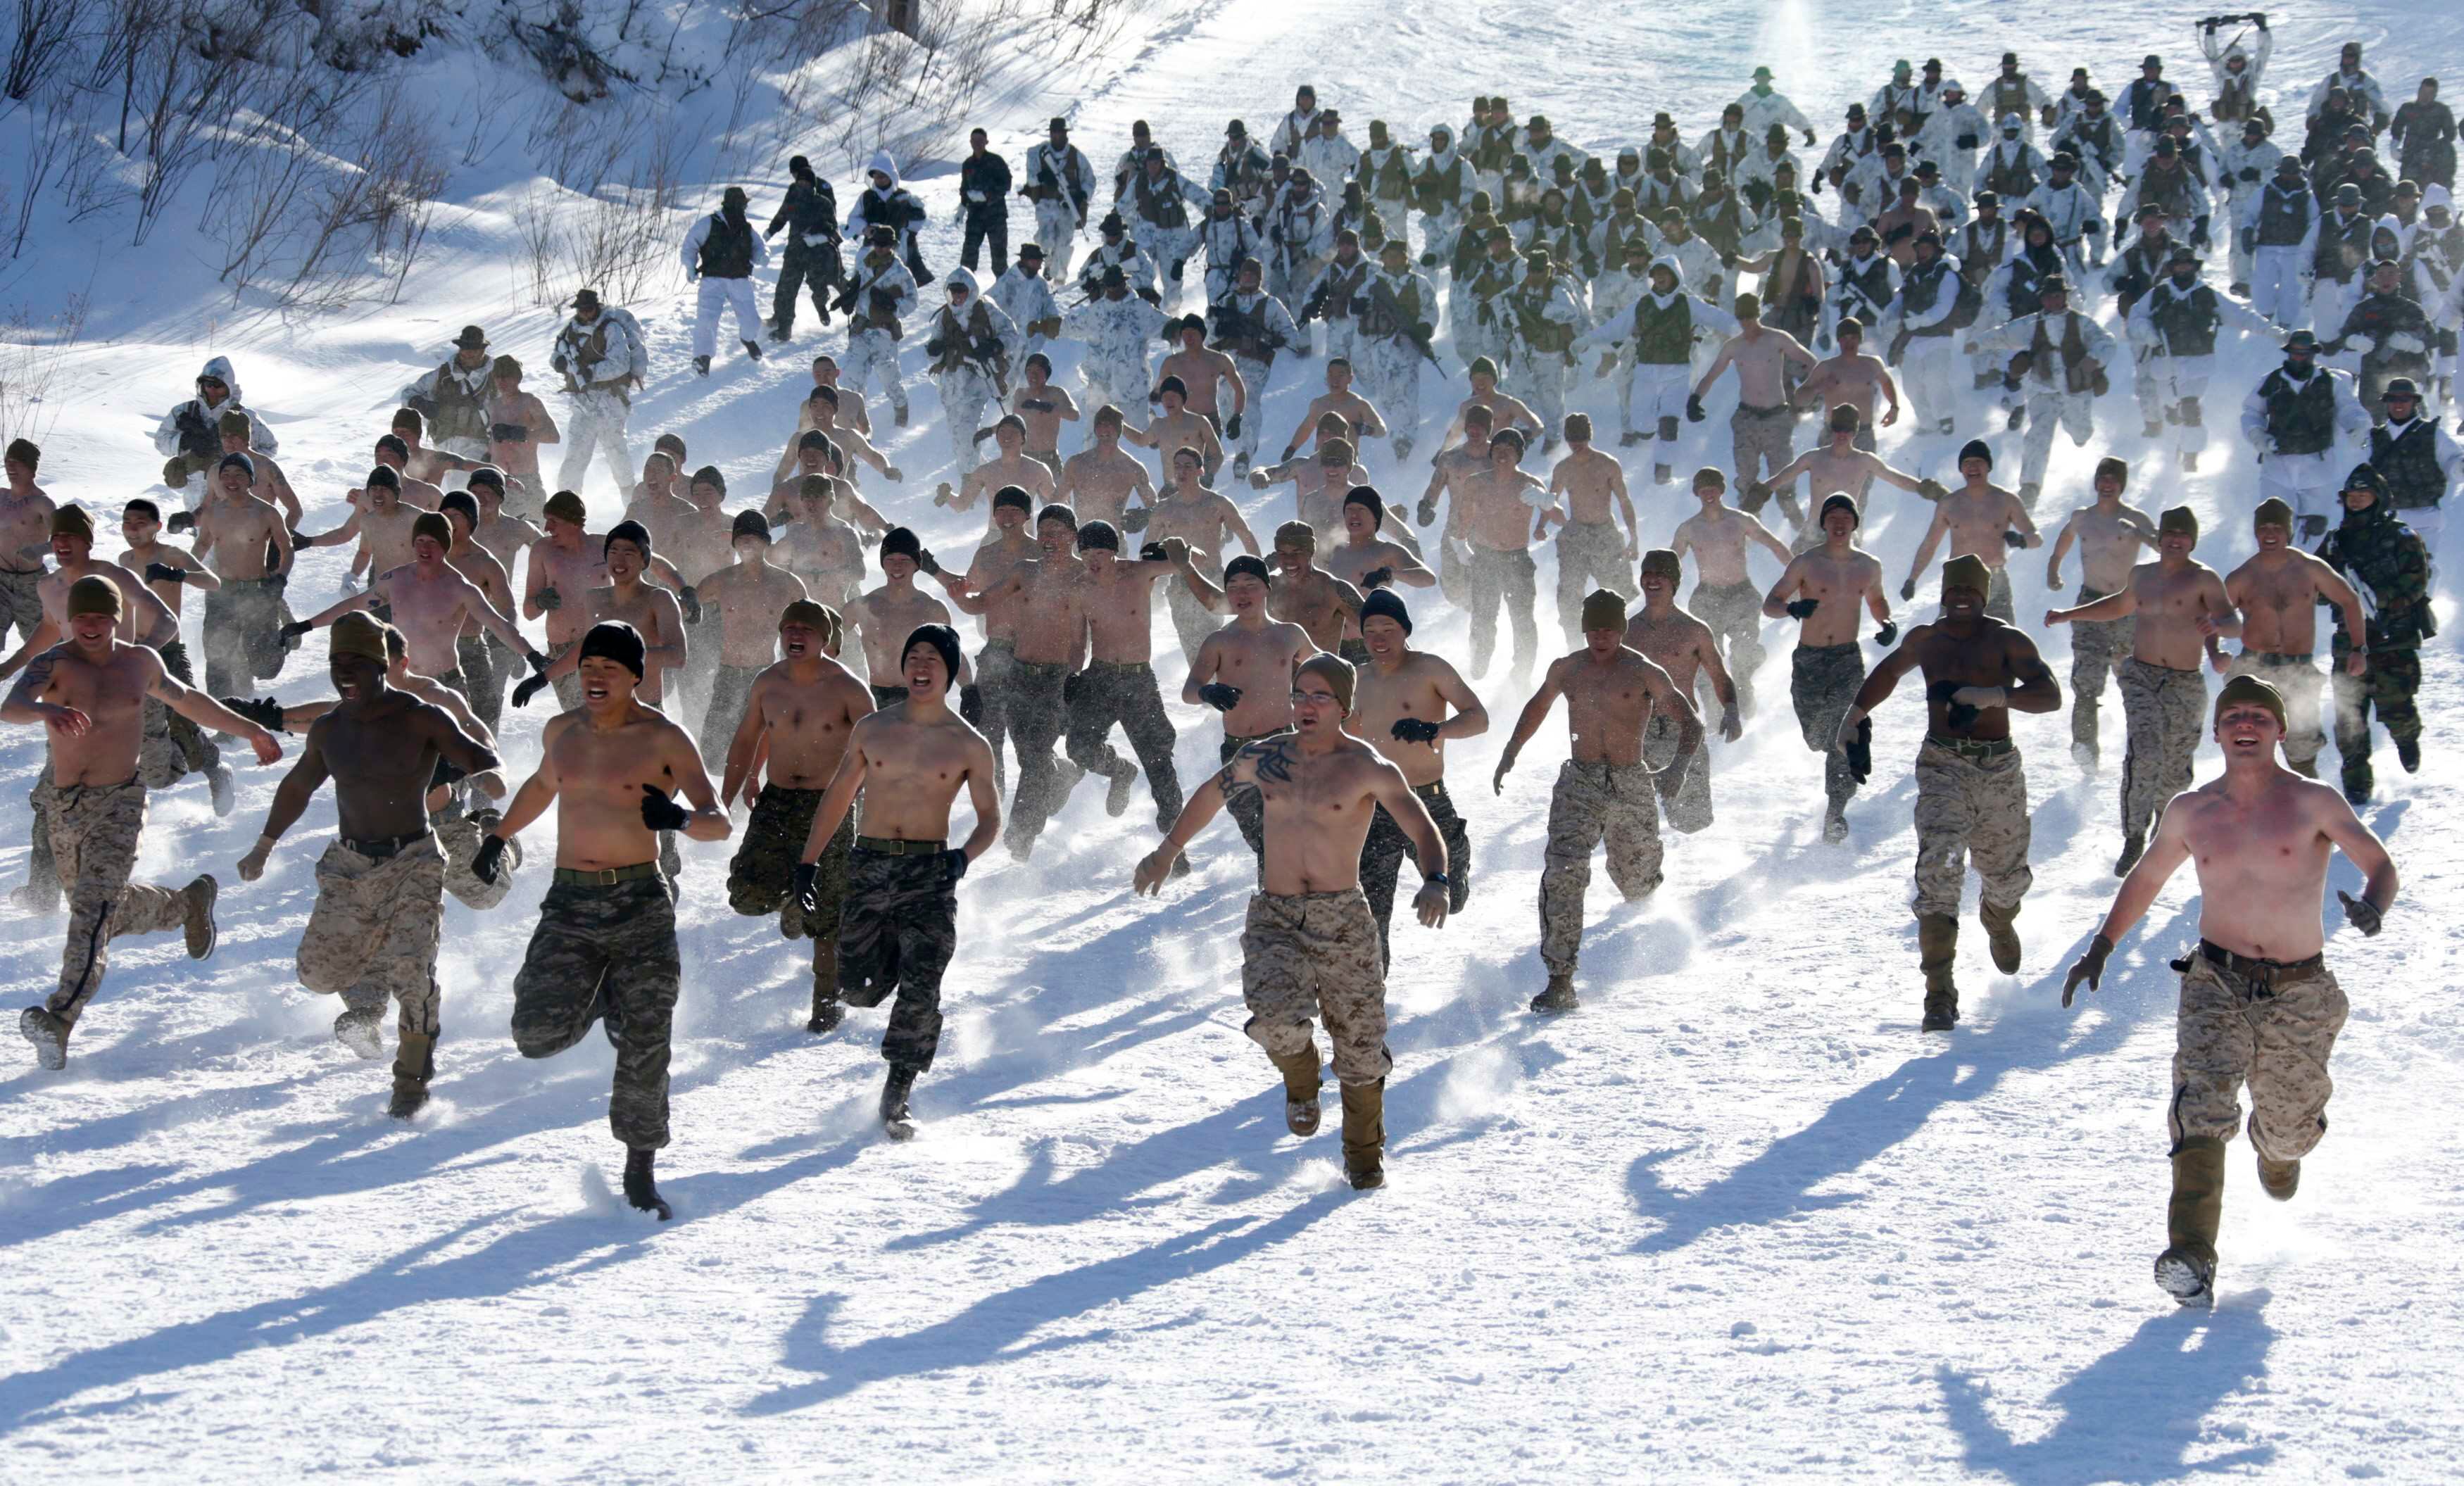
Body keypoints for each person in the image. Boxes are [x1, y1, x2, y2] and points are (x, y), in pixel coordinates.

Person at [2060, 673, 2396, 1306]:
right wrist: (2101, 944)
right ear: (2217, 730)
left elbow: (2380, 863)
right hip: (2216, 980)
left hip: (2300, 991)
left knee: (2288, 1125)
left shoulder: (2314, 801)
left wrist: (2376, 904)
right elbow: (2148, 876)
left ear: (2277, 729)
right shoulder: (2193, 810)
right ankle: (2191, 1254)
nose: (2246, 724)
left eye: (2259, 716)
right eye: (2233, 715)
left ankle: (2280, 1150)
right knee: (2200, 1104)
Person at [1135, 653, 1447, 1190]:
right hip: (1276, 915)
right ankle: (1302, 1081)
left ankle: (1364, 1154)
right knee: (1274, 1017)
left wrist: (1436, 878)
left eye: (1320, 696)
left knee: (1361, 1044)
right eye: (1300, 694)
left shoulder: (1368, 767)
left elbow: (1421, 827)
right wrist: (1167, 850)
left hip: (1342, 917)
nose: (1306, 705)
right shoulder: (1265, 756)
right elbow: (1213, 793)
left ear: (1344, 707)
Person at [484, 622, 729, 1218]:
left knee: (648, 1039)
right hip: (569, 901)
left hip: (640, 901)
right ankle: (603, 999)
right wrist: (498, 836)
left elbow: (717, 821)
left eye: (609, 669)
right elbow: (544, 787)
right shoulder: (561, 730)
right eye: (588, 666)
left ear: (635, 677)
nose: (594, 677)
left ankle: (640, 1169)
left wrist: (674, 820)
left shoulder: (664, 738)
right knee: (535, 1034)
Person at [6, 576, 280, 1069]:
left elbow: (189, 701)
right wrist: (47, 708)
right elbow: (12, 707)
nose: (91, 626)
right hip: (64, 806)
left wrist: (251, 729)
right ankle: (187, 904)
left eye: (100, 617)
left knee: (91, 911)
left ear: (115, 619)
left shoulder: (140, 662)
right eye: (82, 617)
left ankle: (61, 1018)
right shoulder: (53, 664)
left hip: (121, 804)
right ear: (70, 620)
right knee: (104, 911)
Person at [234, 612, 495, 1114]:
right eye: (337, 664)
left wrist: (477, 786)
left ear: (380, 666)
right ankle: (370, 989)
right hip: (351, 867)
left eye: (357, 663)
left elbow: (481, 757)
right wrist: (264, 844)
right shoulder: (330, 729)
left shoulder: (420, 716)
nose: (346, 673)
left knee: (413, 972)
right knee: (316, 972)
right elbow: (298, 786)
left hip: (415, 859)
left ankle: (411, 1083)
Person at [1838, 554, 2060, 1028]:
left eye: (1971, 593)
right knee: (1937, 870)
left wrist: (1999, 696)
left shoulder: (2006, 639)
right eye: (1954, 591)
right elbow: (1890, 671)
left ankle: (1998, 918)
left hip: (1999, 766)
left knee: (2005, 877)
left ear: (1983, 597)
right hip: (1943, 763)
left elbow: (2051, 694)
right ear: (1943, 595)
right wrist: (1855, 714)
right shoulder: (1927, 639)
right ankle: (1939, 993)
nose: (1961, 599)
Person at [796, 624, 998, 1138]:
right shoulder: (872, 728)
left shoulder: (968, 743)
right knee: (858, 989)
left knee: (923, 982)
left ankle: (897, 1095)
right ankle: (870, 988)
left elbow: (990, 819)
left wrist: (963, 857)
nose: (921, 666)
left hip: (929, 874)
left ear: (949, 671)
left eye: (933, 658)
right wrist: (808, 862)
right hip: (870, 866)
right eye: (914, 656)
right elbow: (838, 796)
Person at [1494, 588, 1701, 1013]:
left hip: (1630, 781)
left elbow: (1690, 721)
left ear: (1622, 629)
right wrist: (1511, 751)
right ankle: (1560, 978)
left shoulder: (1644, 671)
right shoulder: (1568, 669)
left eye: (1609, 628)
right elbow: (1536, 706)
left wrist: (1678, 768)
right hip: (1580, 781)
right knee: (1563, 871)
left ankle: (1645, 902)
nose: (1600, 636)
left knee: (1637, 877)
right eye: (1593, 628)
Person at [2044, 505, 2231, 874]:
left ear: (2192, 541)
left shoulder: (2205, 580)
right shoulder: (2142, 575)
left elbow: (2231, 619)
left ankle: (2165, 829)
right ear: (2159, 540)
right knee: (2144, 751)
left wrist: (2222, 638)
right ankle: (2134, 836)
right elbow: (2118, 606)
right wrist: (2070, 614)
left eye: (2183, 535)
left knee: (2175, 767)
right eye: (2170, 534)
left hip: (2185, 682)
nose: (2176, 541)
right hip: (2142, 677)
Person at [722, 600, 873, 1030]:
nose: (795, 635)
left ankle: (826, 1003)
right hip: (777, 800)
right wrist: (728, 796)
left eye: (805, 630)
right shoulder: (767, 683)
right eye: (788, 627)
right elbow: (746, 738)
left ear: (825, 639)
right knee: (746, 897)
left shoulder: (849, 689)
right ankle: (791, 900)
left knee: (828, 910)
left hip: (829, 805)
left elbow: (877, 750)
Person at [1342, 590, 1478, 965]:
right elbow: (1345, 742)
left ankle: (1457, 857)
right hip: (1377, 806)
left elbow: (1477, 717)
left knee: (1454, 901)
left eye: (1389, 628)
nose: (1380, 639)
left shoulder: (1430, 668)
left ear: (1406, 630)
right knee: (1370, 909)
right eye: (1371, 630)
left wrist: (1435, 729)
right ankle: (1372, 987)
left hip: (1427, 799)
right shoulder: (1356, 679)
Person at [293, 512, 543, 698]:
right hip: (402, 683)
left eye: (432, 542)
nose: (425, 548)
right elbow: (355, 606)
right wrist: (305, 625)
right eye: (420, 541)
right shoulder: (396, 580)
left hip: (446, 684)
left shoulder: (460, 588)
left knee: (453, 765)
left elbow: (498, 625)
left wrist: (531, 654)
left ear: (444, 547)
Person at [1764, 494, 1898, 842]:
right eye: (1833, 517)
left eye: (1846, 518)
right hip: (1809, 660)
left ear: (1855, 523)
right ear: (1823, 523)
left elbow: (1877, 600)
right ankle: (1834, 752)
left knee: (1845, 729)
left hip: (1847, 660)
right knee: (1817, 737)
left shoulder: (1868, 566)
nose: (1839, 524)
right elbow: (1770, 604)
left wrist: (1887, 623)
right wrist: (1793, 610)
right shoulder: (1806, 563)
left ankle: (1835, 812)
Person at [2218, 496, 2365, 782]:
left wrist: (2359, 648)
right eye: (2264, 528)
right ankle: (2247, 816)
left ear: (2288, 532)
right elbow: (2216, 616)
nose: (2270, 534)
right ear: (2256, 532)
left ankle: (2308, 816)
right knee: (2249, 746)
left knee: (2302, 754)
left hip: (2299, 670)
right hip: (2254, 670)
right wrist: (2214, 650)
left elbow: (2349, 599)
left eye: (2277, 528)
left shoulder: (2311, 568)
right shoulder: (2242, 577)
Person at [2313, 465, 2434, 804]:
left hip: (2393, 639)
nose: (2356, 502)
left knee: (2397, 708)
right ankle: (2356, 780)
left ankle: (2407, 739)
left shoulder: (2403, 537)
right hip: (2350, 641)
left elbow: (2415, 583)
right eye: (2351, 497)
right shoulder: (2337, 542)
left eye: (2363, 496)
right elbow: (2314, 582)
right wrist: (2340, 597)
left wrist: (2378, 599)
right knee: (2348, 716)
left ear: (2378, 498)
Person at [1181, 555, 1314, 862]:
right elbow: (1189, 691)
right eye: (1234, 588)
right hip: (1238, 753)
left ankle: (1282, 901)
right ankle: (1281, 896)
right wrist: (1207, 691)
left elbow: (1326, 669)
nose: (1242, 594)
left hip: (1285, 746)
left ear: (1266, 589)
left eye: (1250, 586)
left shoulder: (1289, 634)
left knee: (1279, 838)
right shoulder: (1220, 641)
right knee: (1259, 836)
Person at [1061, 523, 1186, 836]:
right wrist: (1072, 674)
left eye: (1100, 552)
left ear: (1114, 552)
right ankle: (1121, 771)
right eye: (1086, 553)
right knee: (1079, 748)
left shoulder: (1140, 574)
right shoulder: (1079, 587)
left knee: (1159, 763)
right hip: (1100, 677)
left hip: (1137, 679)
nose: (1093, 559)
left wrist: (1177, 545)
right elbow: (1078, 642)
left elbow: (1185, 560)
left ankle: (1174, 840)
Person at [2042, 457, 2157, 767]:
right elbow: (2063, 541)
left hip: (2127, 607)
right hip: (2090, 604)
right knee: (2087, 678)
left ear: (2121, 486)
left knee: (2133, 679)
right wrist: (2054, 568)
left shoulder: (2135, 518)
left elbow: (2166, 547)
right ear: (2096, 483)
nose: (2107, 485)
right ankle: (2084, 749)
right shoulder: (2082, 518)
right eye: (2103, 479)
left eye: (2114, 481)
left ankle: (2142, 747)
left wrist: (2140, 535)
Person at [1580, 256, 1733, 485]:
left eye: (1665, 273)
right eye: (1657, 274)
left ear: (1675, 276)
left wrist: (1749, 331)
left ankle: (1663, 472)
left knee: (1669, 423)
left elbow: (1719, 318)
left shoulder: (1688, 303)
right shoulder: (1642, 305)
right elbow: (1615, 327)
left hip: (1678, 371)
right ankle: (1648, 431)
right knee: (1641, 425)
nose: (1661, 278)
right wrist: (1588, 339)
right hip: (1646, 371)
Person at [1967, 274, 2116, 506]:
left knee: (2081, 431)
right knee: (2037, 436)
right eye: (2048, 297)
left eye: (2057, 296)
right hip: (2042, 389)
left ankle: (2080, 435)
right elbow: (2005, 334)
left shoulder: (2081, 322)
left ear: (2064, 297)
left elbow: (2107, 342)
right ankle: (2030, 487)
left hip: (2076, 389)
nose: (2052, 301)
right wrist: (1979, 343)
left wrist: (2094, 359)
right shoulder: (2031, 324)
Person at [1623, 549, 1741, 836]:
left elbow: (1718, 673)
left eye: (1660, 575)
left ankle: (1694, 872)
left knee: (1692, 823)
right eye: (1647, 574)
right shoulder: (1628, 631)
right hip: (1640, 730)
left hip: (1682, 729)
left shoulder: (1694, 630)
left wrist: (1732, 709)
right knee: (1633, 817)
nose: (1652, 581)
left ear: (1674, 582)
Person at [1670, 468, 1792, 717]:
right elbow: (1672, 563)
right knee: (1706, 660)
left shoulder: (1740, 520)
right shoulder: (1689, 528)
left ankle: (1744, 696)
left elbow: (1774, 545)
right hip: (1707, 598)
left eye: (1713, 488)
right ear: (1697, 493)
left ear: (1721, 490)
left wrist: (1799, 578)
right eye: (1703, 490)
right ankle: (1715, 715)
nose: (1709, 494)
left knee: (1743, 655)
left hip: (1742, 595)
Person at [693, 510, 809, 763]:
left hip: (767, 674)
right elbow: (685, 614)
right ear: (733, 543)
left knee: (765, 749)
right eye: (741, 538)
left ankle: (754, 798)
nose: (746, 543)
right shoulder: (718, 582)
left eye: (753, 538)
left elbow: (812, 629)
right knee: (713, 754)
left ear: (766, 542)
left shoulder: (787, 584)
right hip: (728, 672)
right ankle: (720, 799)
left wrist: (802, 674)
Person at [2242, 329, 2371, 540]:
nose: (2300, 357)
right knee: (2273, 526)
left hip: (2317, 465)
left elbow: (2349, 409)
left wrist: (2358, 426)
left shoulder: (2330, 382)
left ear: (2314, 354)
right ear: (2289, 353)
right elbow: (2251, 413)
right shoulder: (2271, 381)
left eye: (2305, 353)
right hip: (2277, 465)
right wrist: (2258, 436)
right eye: (2295, 353)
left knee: (2316, 529)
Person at [1902, 441, 2043, 623]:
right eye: (1967, 463)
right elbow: (1930, 544)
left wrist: (2021, 541)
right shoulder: (1949, 504)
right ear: (1961, 469)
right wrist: (1912, 579)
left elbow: (2036, 538)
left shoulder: (2006, 500)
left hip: (1995, 577)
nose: (1973, 467)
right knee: (1948, 638)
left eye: (1978, 462)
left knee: (2002, 638)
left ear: (1988, 466)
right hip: (1959, 578)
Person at [1541, 415, 1639, 644]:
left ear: (1589, 437)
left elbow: (1624, 501)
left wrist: (1634, 538)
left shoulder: (1607, 465)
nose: (1576, 445)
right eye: (1572, 440)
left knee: (1616, 594)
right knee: (1569, 594)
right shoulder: (1564, 468)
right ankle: (1574, 647)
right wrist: (1540, 526)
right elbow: (1550, 500)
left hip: (1604, 534)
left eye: (1581, 439)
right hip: (1576, 535)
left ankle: (1617, 644)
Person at [549, 290, 645, 504]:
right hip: (583, 402)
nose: (584, 313)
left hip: (610, 401)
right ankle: (566, 506)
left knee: (617, 455)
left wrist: (589, 372)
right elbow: (556, 354)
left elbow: (620, 364)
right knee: (575, 457)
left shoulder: (611, 328)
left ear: (596, 307)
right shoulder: (571, 330)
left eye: (588, 308)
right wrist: (560, 363)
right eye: (581, 309)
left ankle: (632, 505)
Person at [1209, 257, 1300, 479]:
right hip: (1227, 360)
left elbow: (1292, 336)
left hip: (1256, 363)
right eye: (1245, 273)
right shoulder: (1226, 302)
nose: (1248, 277)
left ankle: (1244, 455)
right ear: (1239, 276)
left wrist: (1275, 341)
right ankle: (1242, 446)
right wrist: (1221, 331)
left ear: (1260, 277)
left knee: (1247, 403)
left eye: (1253, 273)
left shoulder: (1271, 305)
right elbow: (1209, 335)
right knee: (1226, 405)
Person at [682, 187, 769, 375]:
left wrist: (763, 256)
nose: (740, 208)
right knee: (707, 319)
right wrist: (690, 267)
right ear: (727, 204)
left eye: (742, 204)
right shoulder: (709, 223)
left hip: (739, 279)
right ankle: (702, 358)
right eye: (737, 204)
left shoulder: (747, 228)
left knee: (751, 321)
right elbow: (690, 245)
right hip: (712, 280)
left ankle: (747, 339)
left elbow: (759, 247)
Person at [153, 357, 276, 491]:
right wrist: (184, 441)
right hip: (195, 494)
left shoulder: (245, 416)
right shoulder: (183, 412)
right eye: (208, 384)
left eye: (218, 385)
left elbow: (270, 447)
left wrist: (241, 457)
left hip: (235, 493)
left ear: (228, 386)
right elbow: (160, 442)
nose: (212, 390)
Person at [837, 227, 919, 427]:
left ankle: (901, 410)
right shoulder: (865, 264)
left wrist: (893, 307)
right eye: (878, 244)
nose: (881, 248)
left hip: (884, 333)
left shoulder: (901, 272)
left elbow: (913, 301)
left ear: (892, 246)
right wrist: (849, 300)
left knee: (889, 379)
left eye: (885, 245)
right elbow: (857, 287)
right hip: (861, 330)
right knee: (851, 377)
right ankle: (856, 422)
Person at [2368, 378, 2461, 549]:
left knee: (2424, 571)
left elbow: (2453, 462)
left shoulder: (2432, 434)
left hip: (2425, 517)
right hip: (2384, 518)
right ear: (2386, 402)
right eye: (2393, 399)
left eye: (2405, 399)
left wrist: (2459, 466)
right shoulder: (2374, 437)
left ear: (2415, 402)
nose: (2399, 404)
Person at [765, 155, 842, 340]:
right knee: (786, 289)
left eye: (805, 182)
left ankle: (838, 307)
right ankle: (784, 326)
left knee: (825, 283)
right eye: (798, 180)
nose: (801, 184)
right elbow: (783, 214)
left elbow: (833, 226)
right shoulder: (793, 195)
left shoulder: (823, 198)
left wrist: (817, 235)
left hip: (818, 252)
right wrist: (769, 232)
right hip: (795, 251)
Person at [1021, 118, 1097, 285]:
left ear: (1065, 134)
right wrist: (1043, 177)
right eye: (1053, 132)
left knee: (1063, 243)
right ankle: (1047, 267)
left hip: (1067, 208)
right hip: (1046, 205)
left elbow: (1090, 179)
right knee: (1046, 240)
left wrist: (1082, 195)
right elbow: (1031, 180)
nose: (1056, 136)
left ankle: (1060, 276)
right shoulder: (1040, 154)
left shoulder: (1076, 156)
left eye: (1059, 132)